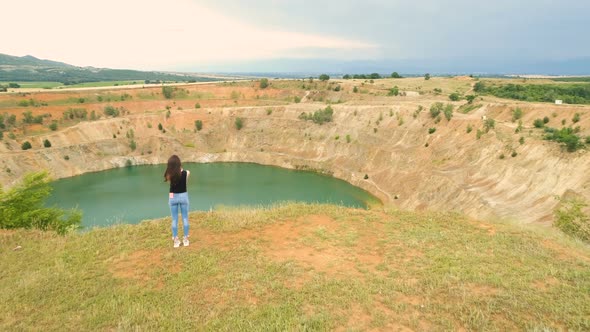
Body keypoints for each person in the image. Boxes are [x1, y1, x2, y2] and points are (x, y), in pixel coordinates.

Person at [164, 155, 190, 248]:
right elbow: (185, 183)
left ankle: (175, 240)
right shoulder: (187, 173)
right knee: (185, 218)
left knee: (174, 219)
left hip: (173, 197)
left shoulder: (169, 175)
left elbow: (169, 182)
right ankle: (186, 239)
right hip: (183, 196)